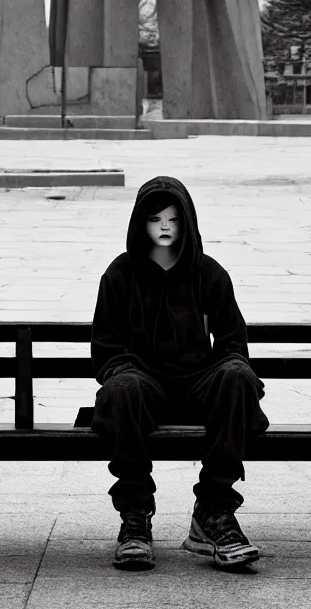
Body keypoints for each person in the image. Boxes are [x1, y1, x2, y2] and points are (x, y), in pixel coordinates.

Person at [90, 176, 269, 571]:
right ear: (141, 224)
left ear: (187, 222)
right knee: (122, 388)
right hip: (144, 384)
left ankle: (213, 512)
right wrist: (125, 372)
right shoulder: (119, 275)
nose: (165, 226)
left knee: (238, 377)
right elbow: (105, 348)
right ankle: (135, 518)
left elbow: (232, 343)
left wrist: (228, 367)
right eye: (155, 219)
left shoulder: (209, 274)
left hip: (198, 384)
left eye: (174, 218)